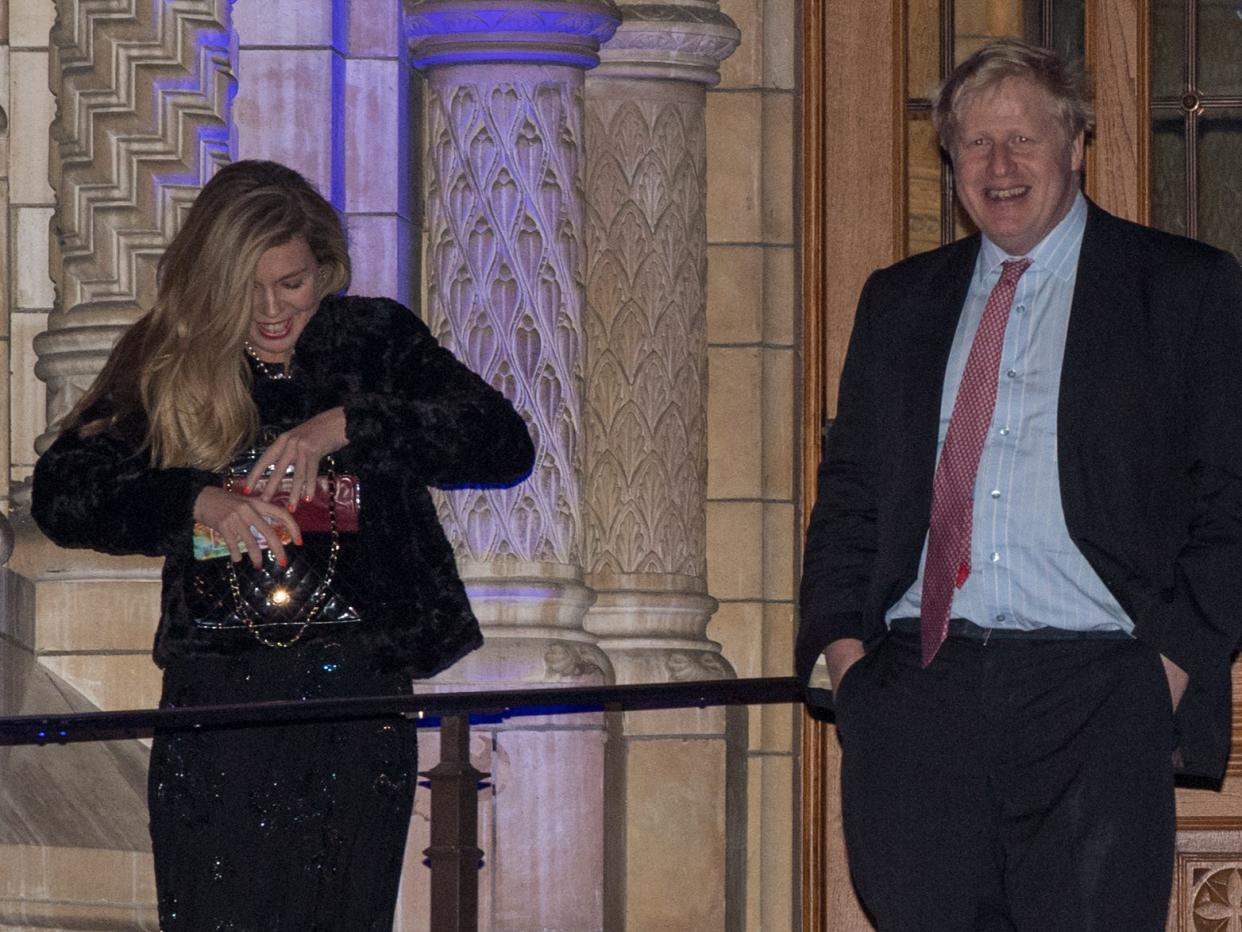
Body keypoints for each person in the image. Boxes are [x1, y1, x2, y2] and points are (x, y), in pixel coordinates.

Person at [796, 38, 1242, 932]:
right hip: (919, 695)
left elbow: (1233, 499)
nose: (999, 167)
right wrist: (848, 664)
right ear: (951, 160)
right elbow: (849, 496)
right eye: (975, 144)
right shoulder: (900, 299)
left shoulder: (1182, 289)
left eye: (1023, 140)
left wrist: (1163, 672)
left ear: (1076, 145)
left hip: (1099, 692)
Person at [31, 160, 534, 930]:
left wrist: (348, 422)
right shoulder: (169, 355)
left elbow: (503, 445)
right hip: (221, 699)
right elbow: (63, 492)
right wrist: (196, 500)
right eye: (248, 288)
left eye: (291, 284)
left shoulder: (374, 339)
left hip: (358, 691)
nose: (271, 310)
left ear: (324, 268)